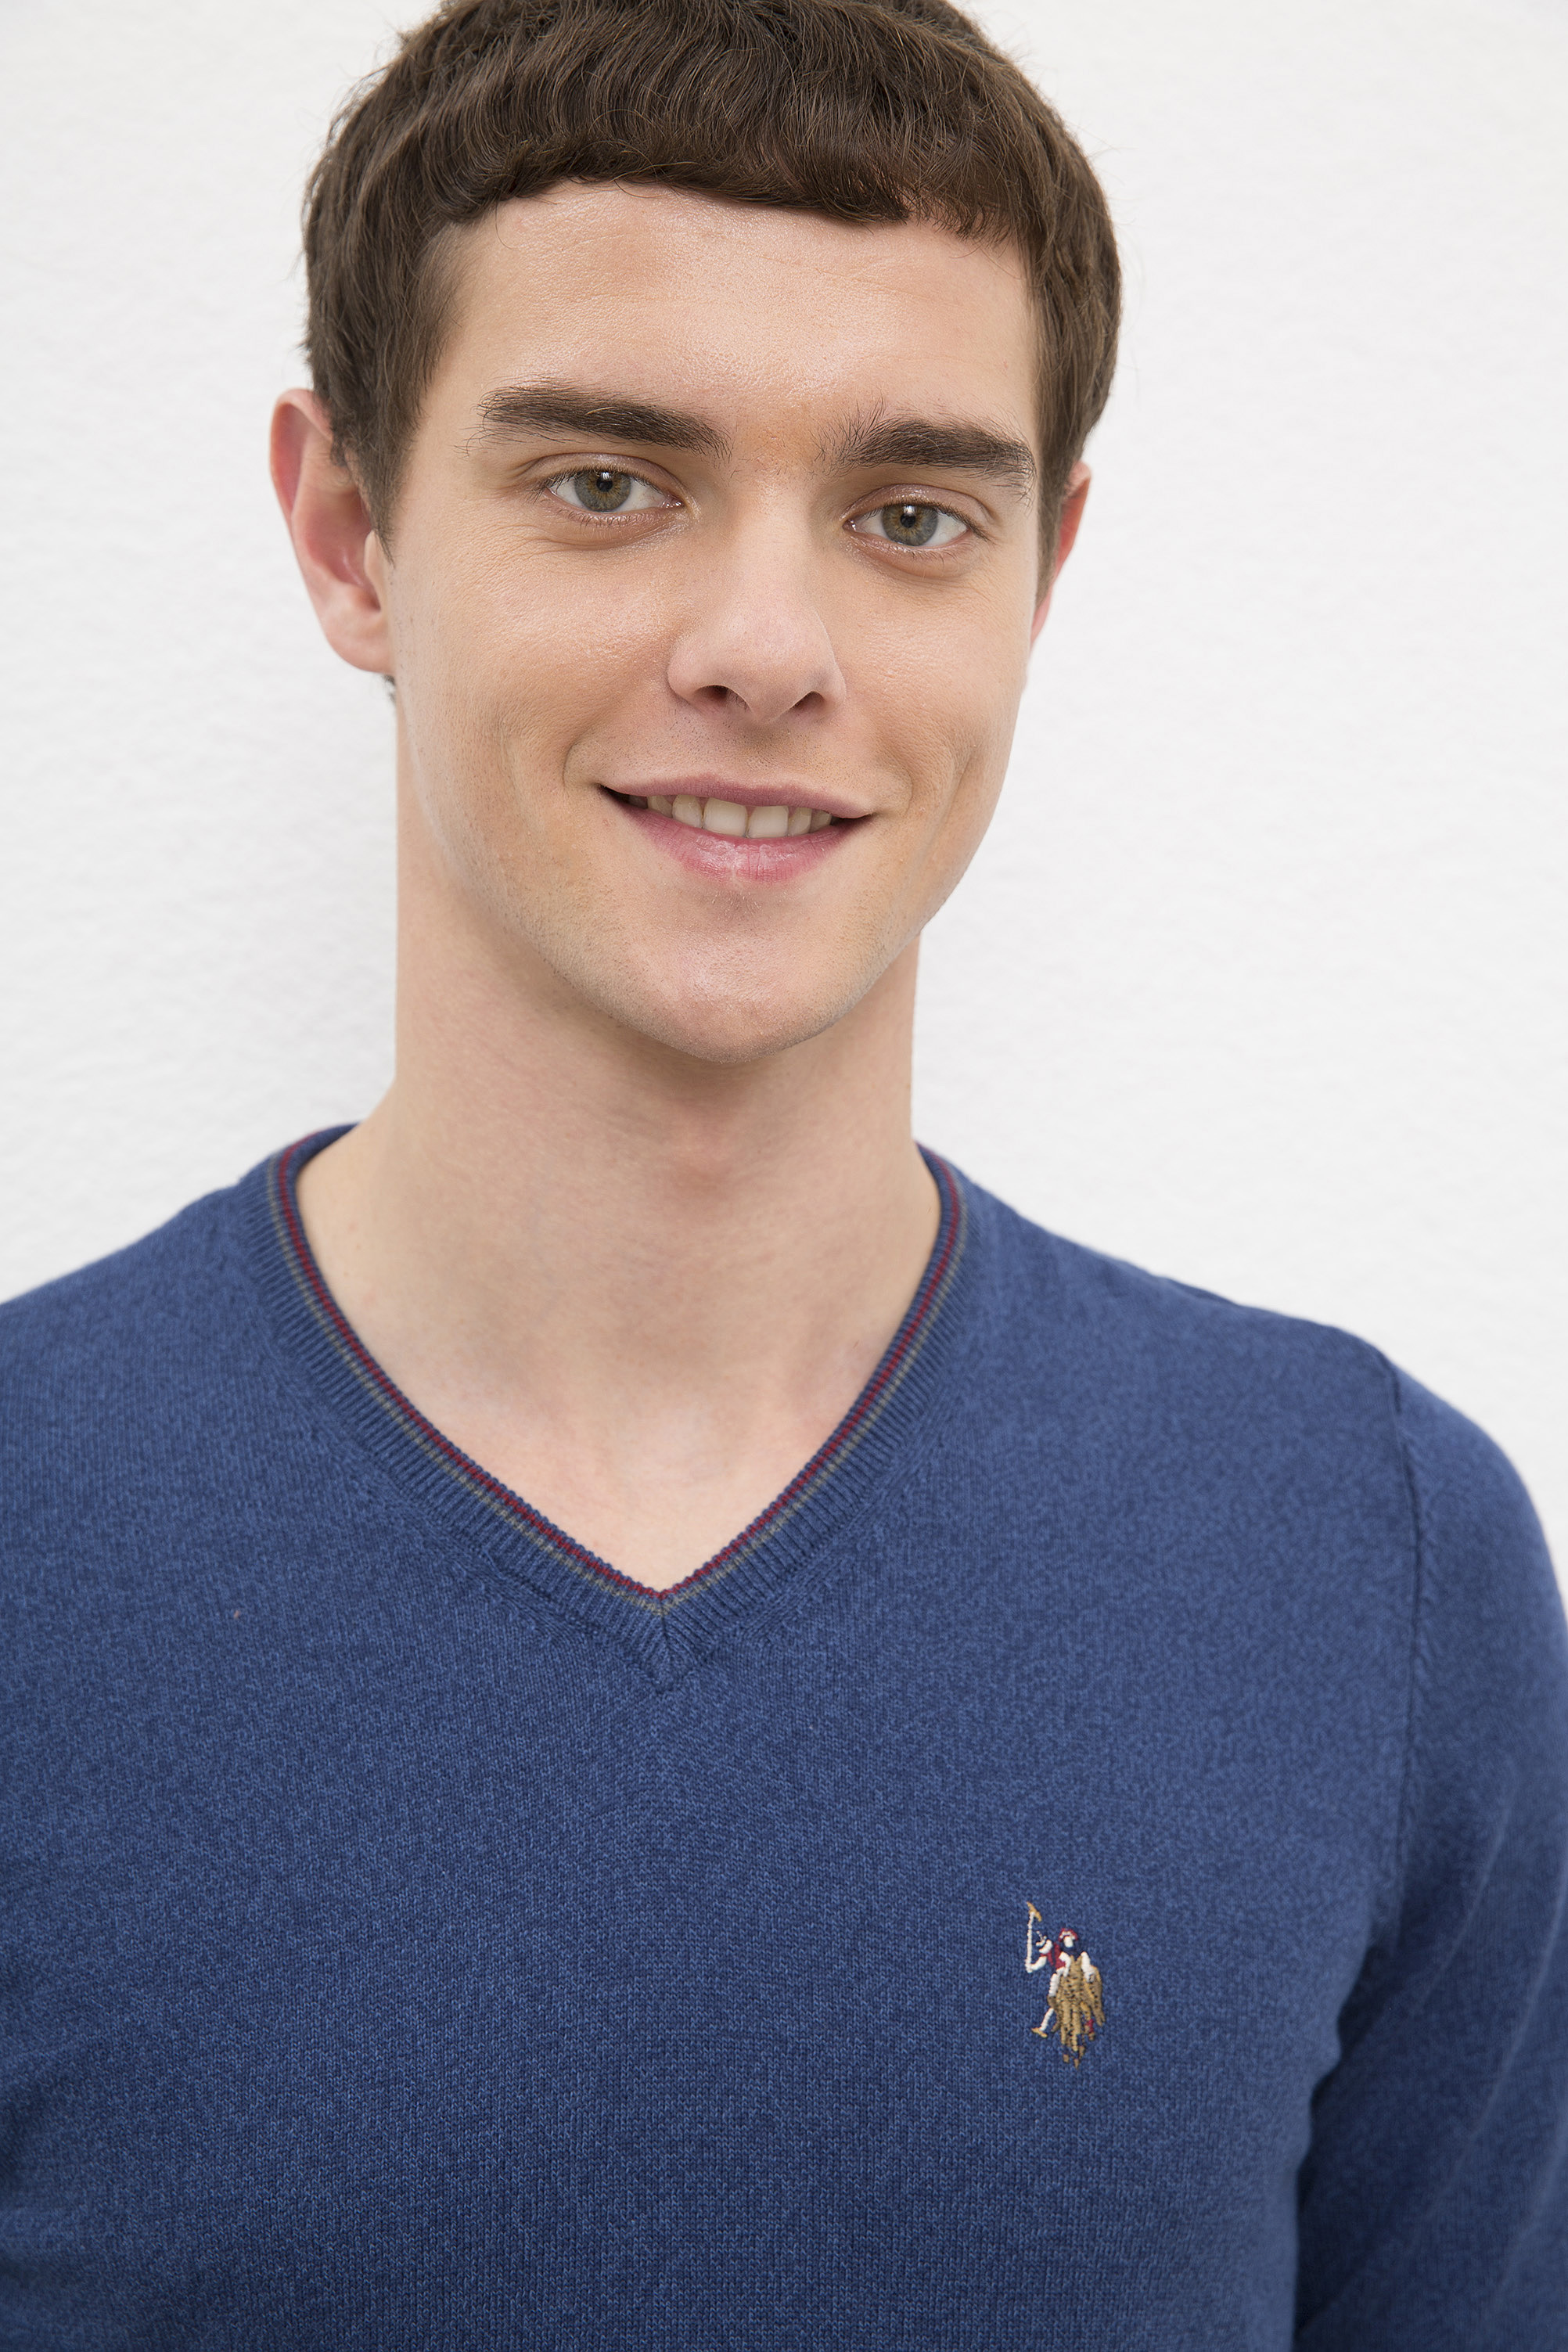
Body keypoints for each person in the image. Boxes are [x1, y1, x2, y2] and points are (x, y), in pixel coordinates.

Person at [1, 0, 1563, 2342]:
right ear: (348, 534)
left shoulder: (1374, 1556)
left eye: (910, 515)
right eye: (604, 484)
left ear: (1040, 574)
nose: (764, 646)